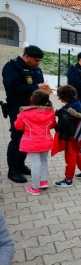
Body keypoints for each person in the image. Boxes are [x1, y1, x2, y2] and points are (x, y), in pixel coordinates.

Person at [2, 45, 50, 183]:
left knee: (27, 139)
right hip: (18, 109)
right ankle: (13, 170)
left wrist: (45, 91)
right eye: (35, 60)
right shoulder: (12, 67)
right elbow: (12, 88)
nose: (38, 63)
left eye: (39, 61)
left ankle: (21, 165)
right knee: (17, 138)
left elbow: (39, 87)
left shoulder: (37, 69)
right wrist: (35, 87)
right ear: (26, 56)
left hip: (35, 111)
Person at [14, 90, 56, 195]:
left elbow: (18, 126)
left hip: (31, 142)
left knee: (35, 164)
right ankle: (44, 181)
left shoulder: (24, 112)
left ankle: (34, 188)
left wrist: (17, 118)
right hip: (46, 141)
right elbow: (52, 125)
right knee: (44, 161)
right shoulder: (50, 112)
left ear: (33, 99)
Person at [52, 85, 81, 187]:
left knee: (70, 158)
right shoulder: (77, 105)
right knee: (77, 154)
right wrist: (58, 112)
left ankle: (68, 180)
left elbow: (63, 124)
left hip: (70, 137)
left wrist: (56, 127)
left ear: (64, 98)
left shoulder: (66, 110)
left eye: (60, 97)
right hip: (77, 137)